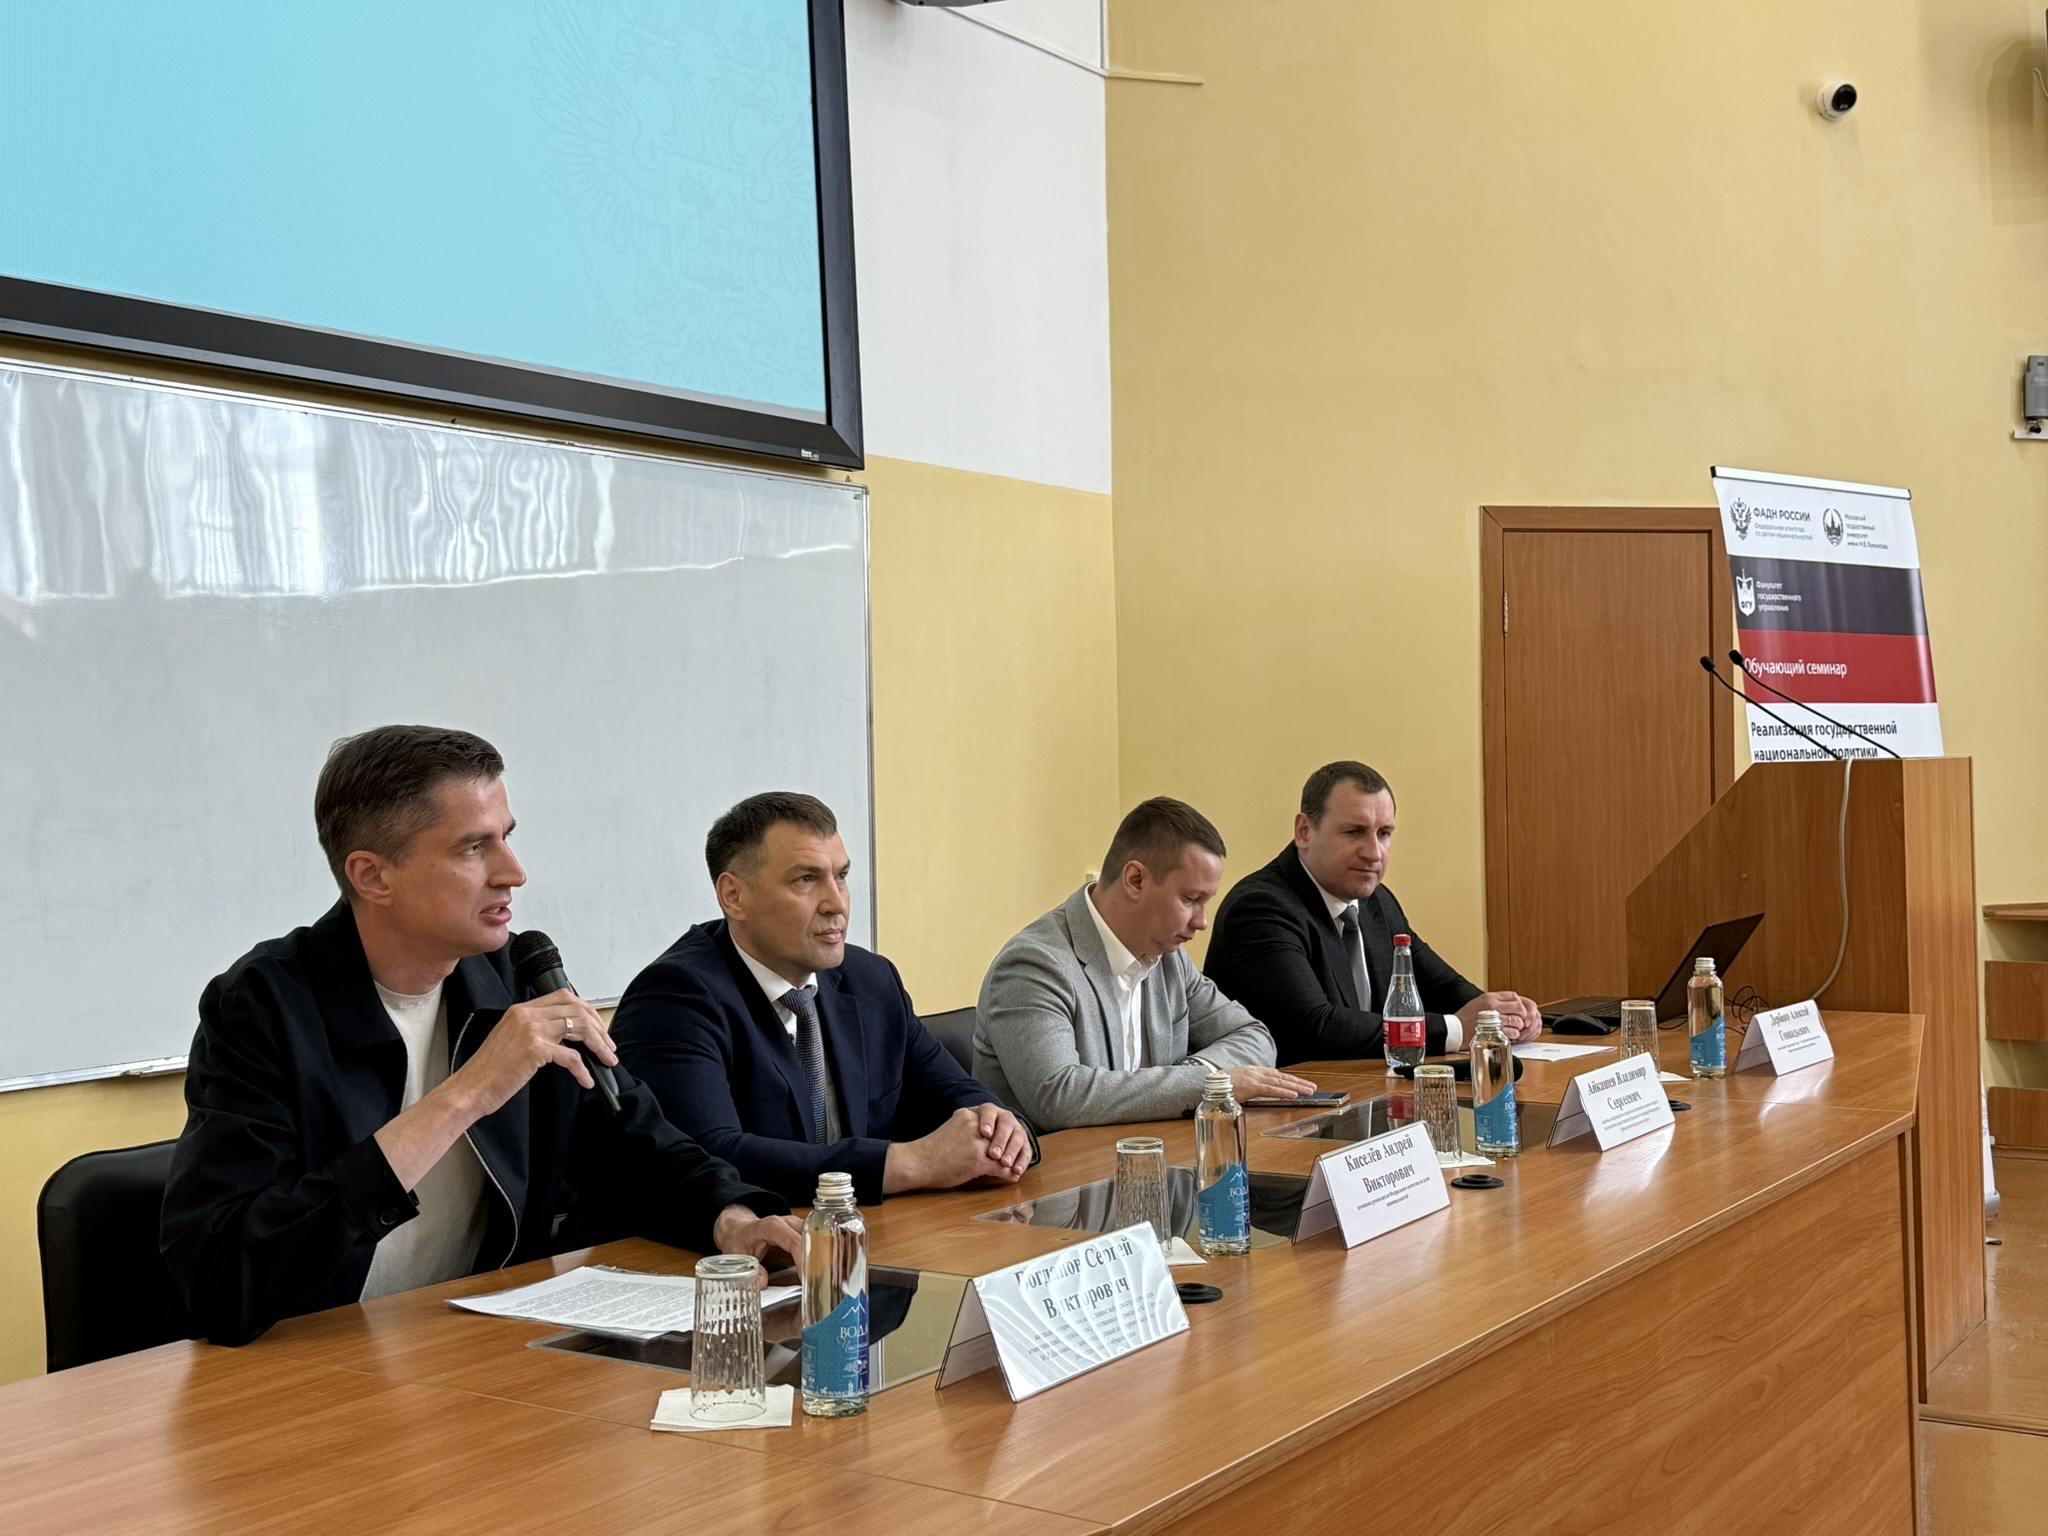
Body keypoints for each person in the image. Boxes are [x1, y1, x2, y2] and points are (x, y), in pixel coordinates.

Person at [161, 726, 804, 1346]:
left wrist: (732, 1219)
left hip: (474, 1344)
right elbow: (223, 1276)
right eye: (474, 848)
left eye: (507, 838)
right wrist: (466, 1094)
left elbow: (637, 1147)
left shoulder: (514, 978)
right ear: (373, 876)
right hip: (316, 1367)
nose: (513, 872)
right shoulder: (262, 1006)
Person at [612, 791, 1033, 1206]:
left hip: (863, 1234)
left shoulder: (871, 980)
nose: (837, 904)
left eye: (842, 876)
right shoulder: (673, 997)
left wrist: (1002, 1133)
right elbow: (706, 1159)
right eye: (806, 880)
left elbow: (960, 1095)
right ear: (734, 896)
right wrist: (907, 1164)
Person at [975, 796, 1314, 1132]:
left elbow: (1253, 1036)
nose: (1202, 922)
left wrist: (1193, 1072)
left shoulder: (1170, 959)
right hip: (1061, 1165)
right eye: (1190, 899)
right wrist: (1211, 1084)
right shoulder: (1033, 964)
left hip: (1152, 1155)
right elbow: (1060, 1098)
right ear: (1135, 880)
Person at [1204, 761, 1542, 1065]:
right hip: (1288, 1103)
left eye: (1384, 834)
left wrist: (1501, 1016)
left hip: (1366, 1091)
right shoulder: (1259, 908)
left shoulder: (1377, 901)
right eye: (1354, 832)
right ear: (1304, 831)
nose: (1374, 853)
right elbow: (1317, 1026)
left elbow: (1440, 984)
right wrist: (1456, 1029)